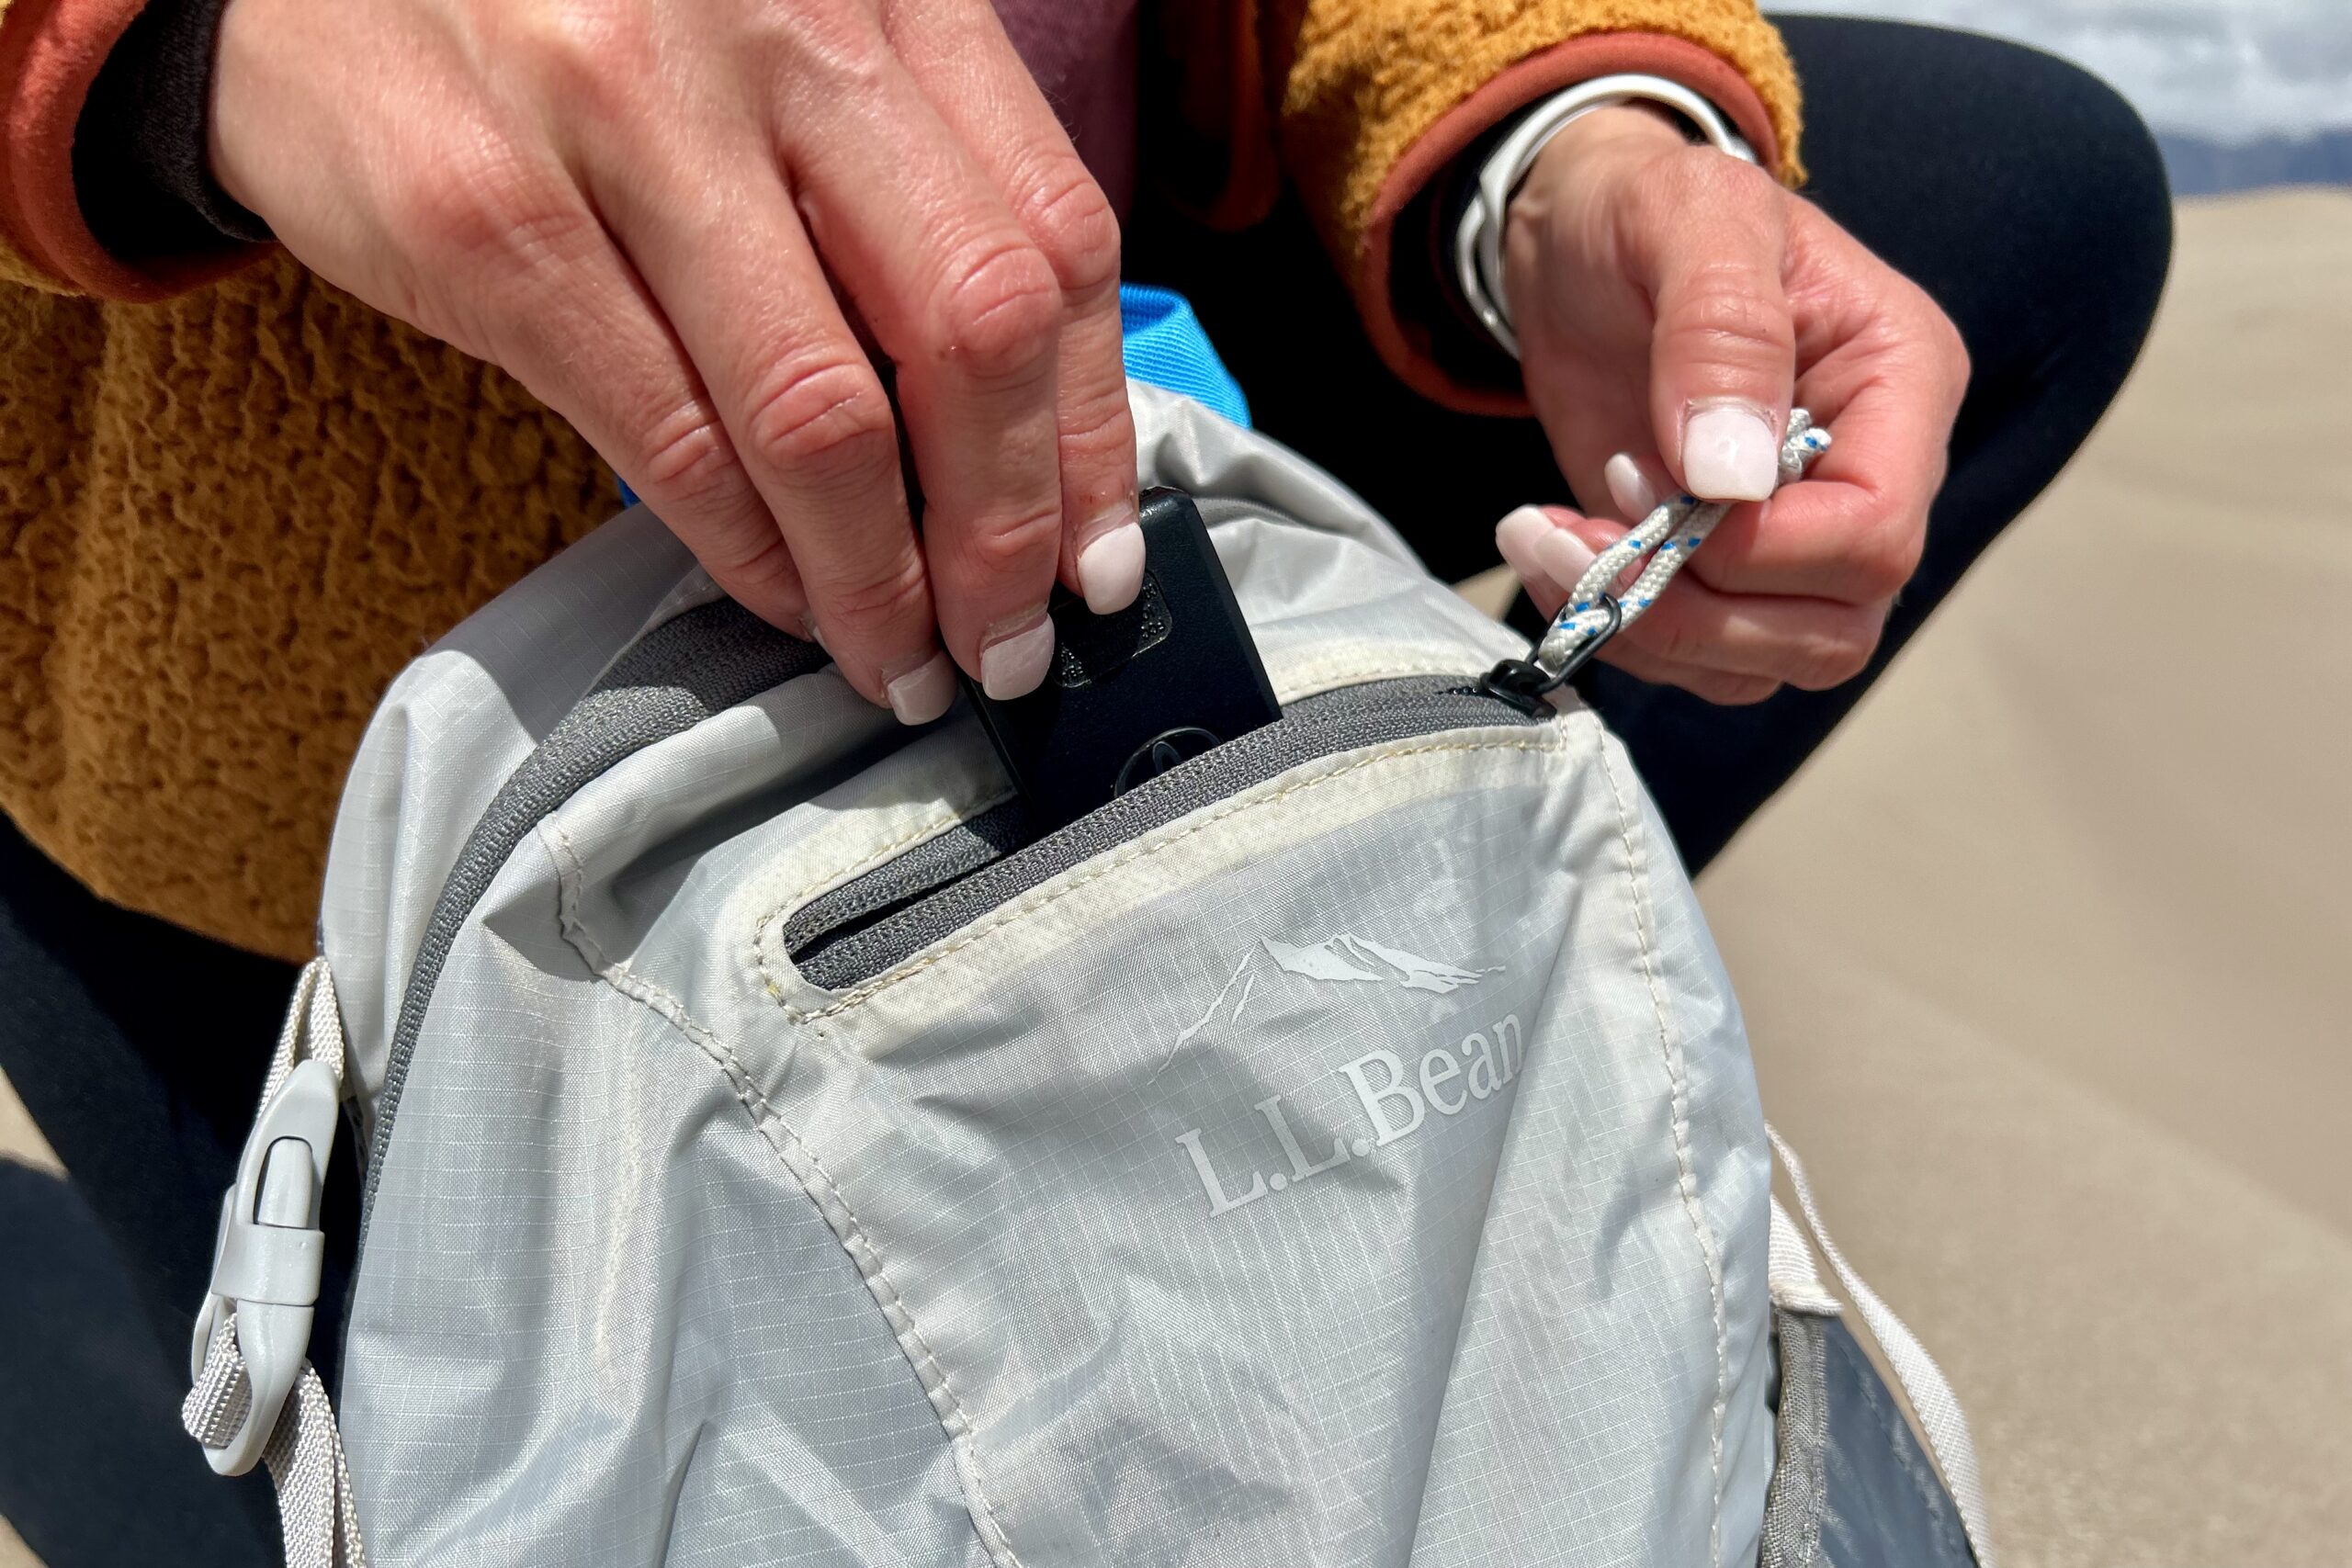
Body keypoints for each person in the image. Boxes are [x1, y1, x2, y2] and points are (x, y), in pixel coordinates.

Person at [0, 0, 2168, 1555]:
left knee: (2033, 195)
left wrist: (1556, 137)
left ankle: (1226, 1072)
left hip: (1088, 358)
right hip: (224, 715)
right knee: (353, 1451)